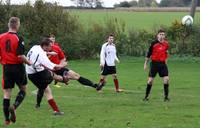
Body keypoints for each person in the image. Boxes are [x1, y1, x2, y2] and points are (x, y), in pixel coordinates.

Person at [0, 17, 32, 125]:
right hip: (18, 68)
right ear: (17, 25)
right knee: (23, 89)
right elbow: (20, 56)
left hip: (7, 68)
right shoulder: (19, 38)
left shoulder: (1, 37)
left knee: (6, 93)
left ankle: (7, 120)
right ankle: (14, 106)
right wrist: (29, 62)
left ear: (9, 25)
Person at [26, 38, 67, 115]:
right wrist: (63, 65)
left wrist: (50, 53)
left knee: (43, 89)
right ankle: (63, 79)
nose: (51, 48)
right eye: (50, 46)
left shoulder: (35, 47)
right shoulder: (42, 55)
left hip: (30, 73)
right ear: (45, 46)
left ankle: (40, 105)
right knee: (49, 85)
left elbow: (38, 54)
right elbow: (54, 67)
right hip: (38, 74)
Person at [143, 29, 170, 102]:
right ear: (157, 35)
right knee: (150, 81)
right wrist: (145, 64)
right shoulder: (153, 43)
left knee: (166, 79)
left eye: (163, 34)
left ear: (164, 36)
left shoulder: (166, 44)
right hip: (154, 64)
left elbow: (166, 54)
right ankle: (146, 96)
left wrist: (166, 62)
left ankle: (166, 97)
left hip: (162, 64)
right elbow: (149, 54)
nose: (162, 36)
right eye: (160, 34)